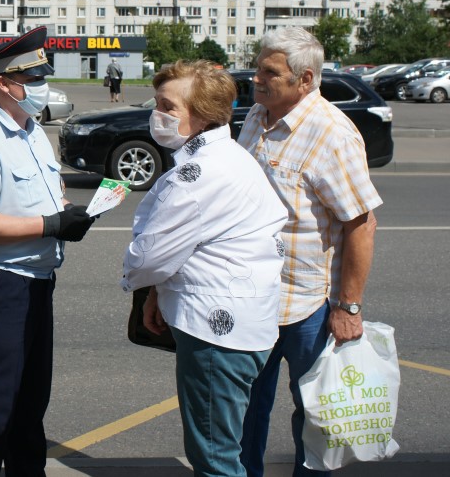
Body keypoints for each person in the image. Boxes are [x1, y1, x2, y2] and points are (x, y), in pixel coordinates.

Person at [120, 60, 287, 477]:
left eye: (167, 106)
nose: (157, 114)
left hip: (216, 334)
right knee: (223, 449)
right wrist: (158, 292)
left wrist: (141, 279)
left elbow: (148, 257)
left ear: (202, 115)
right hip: (239, 322)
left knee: (214, 458)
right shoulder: (228, 154)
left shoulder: (198, 175)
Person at [0, 27, 96, 477]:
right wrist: (51, 225)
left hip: (38, 280)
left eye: (40, 78)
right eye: (32, 80)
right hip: (1, 284)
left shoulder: (32, 132)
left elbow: (47, 195)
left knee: (31, 401)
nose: (41, 87)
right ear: (3, 83)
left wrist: (68, 213)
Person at [238, 27, 382, 477]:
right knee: (246, 412)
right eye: (258, 66)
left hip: (307, 307)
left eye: (269, 71)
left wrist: (349, 306)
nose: (255, 78)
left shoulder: (331, 133)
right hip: (253, 301)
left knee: (315, 414)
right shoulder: (256, 118)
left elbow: (360, 223)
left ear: (304, 79)